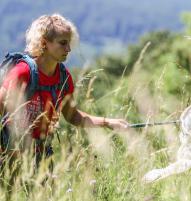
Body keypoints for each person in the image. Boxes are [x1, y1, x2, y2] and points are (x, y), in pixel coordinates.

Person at [0, 14, 129, 165]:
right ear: (44, 43)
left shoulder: (63, 77)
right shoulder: (23, 72)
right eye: (62, 43)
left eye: (69, 43)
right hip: (10, 156)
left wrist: (109, 122)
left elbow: (73, 116)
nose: (68, 49)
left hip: (41, 157)